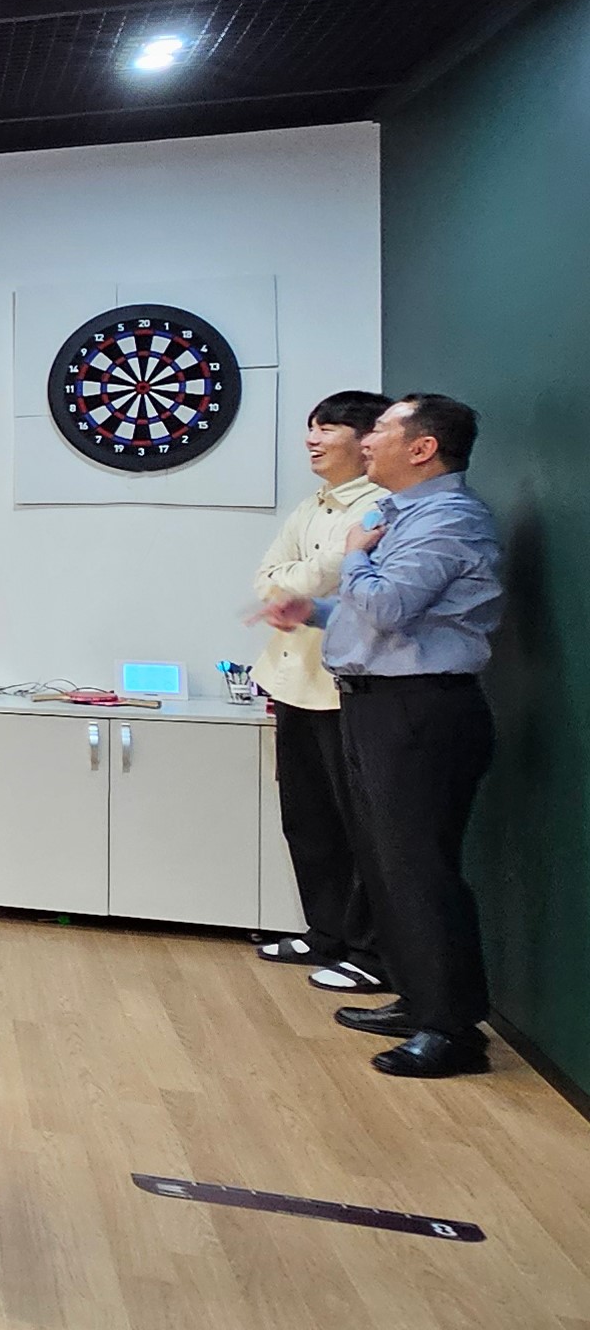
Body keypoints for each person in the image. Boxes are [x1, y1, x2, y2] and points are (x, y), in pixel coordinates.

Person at [258, 394, 503, 1079]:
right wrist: (316, 609)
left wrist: (355, 555)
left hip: (421, 709)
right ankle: (420, 1000)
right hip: (375, 703)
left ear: (422, 448)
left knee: (420, 871)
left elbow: (391, 604)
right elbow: (372, 610)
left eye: (385, 431)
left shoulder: (449, 519)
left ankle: (454, 1032)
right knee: (388, 865)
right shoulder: (402, 514)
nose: (369, 442)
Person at [247, 391, 392, 993]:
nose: (311, 439)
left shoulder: (382, 505)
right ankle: (324, 931)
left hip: (343, 690)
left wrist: (295, 586)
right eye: (310, 427)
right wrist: (292, 586)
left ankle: (367, 948)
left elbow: (327, 576)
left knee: (360, 826)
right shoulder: (310, 506)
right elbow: (267, 583)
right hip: (291, 681)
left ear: (365, 441)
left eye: (325, 429)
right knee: (305, 820)